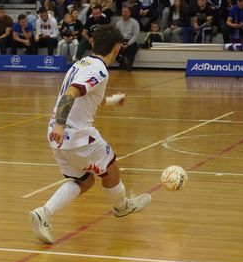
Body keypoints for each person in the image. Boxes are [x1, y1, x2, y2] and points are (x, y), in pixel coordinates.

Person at [29, 24, 151, 244]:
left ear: (93, 43)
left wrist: (112, 100)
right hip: (75, 135)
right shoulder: (99, 69)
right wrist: (61, 124)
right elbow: (70, 94)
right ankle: (122, 207)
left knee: (83, 181)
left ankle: (43, 213)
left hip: (57, 137)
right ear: (117, 48)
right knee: (111, 169)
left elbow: (88, 97)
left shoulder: (82, 63)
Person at [115, 6, 139, 71]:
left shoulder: (135, 23)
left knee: (132, 48)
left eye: (126, 12)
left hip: (131, 41)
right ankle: (123, 63)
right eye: (123, 12)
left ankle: (129, 65)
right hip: (121, 41)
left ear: (130, 13)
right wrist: (120, 44)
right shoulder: (118, 23)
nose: (124, 13)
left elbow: (135, 36)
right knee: (113, 48)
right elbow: (117, 35)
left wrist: (128, 44)